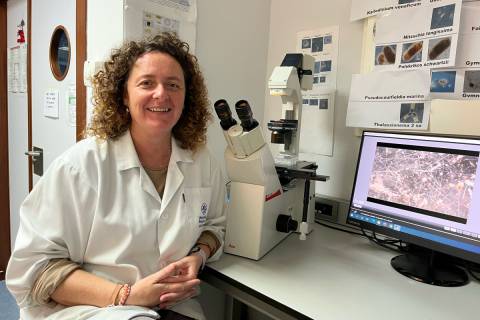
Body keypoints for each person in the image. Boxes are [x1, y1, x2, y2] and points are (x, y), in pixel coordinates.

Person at [6, 33, 226, 320]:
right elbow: (35, 269)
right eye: (147, 83)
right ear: (124, 95)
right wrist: (126, 295)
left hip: (171, 305)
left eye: (173, 85)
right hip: (89, 309)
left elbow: (215, 227)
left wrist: (198, 255)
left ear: (186, 98)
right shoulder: (82, 165)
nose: (161, 93)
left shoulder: (201, 162)